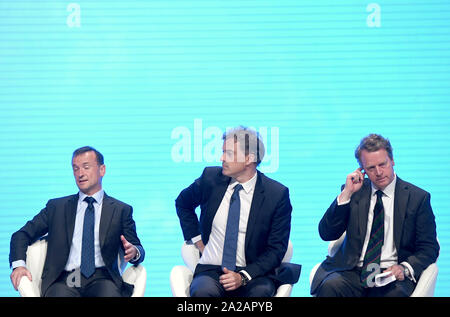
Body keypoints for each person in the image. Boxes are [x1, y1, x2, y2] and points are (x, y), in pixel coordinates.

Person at [175, 126, 300, 297]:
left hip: (254, 273)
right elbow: (183, 203)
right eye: (222, 152)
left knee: (260, 295)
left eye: (228, 153)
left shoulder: (276, 195)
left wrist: (243, 277)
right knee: (203, 292)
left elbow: (276, 249)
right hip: (212, 271)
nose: (221, 158)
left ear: (249, 158)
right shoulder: (210, 179)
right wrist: (198, 241)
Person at [310, 134, 439, 297]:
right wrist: (346, 194)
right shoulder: (354, 192)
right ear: (362, 170)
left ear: (392, 161)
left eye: (382, 164)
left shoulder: (417, 198)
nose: (378, 172)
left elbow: (429, 247)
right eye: (371, 168)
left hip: (391, 275)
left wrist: (404, 268)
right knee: (330, 287)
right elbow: (327, 233)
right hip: (353, 272)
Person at [9, 146, 145, 297]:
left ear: (102, 170)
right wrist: (19, 266)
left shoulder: (121, 210)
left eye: (86, 167)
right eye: (75, 169)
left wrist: (134, 252)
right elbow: (21, 235)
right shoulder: (56, 207)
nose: (80, 174)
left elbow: (138, 248)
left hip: (103, 279)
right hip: (65, 280)